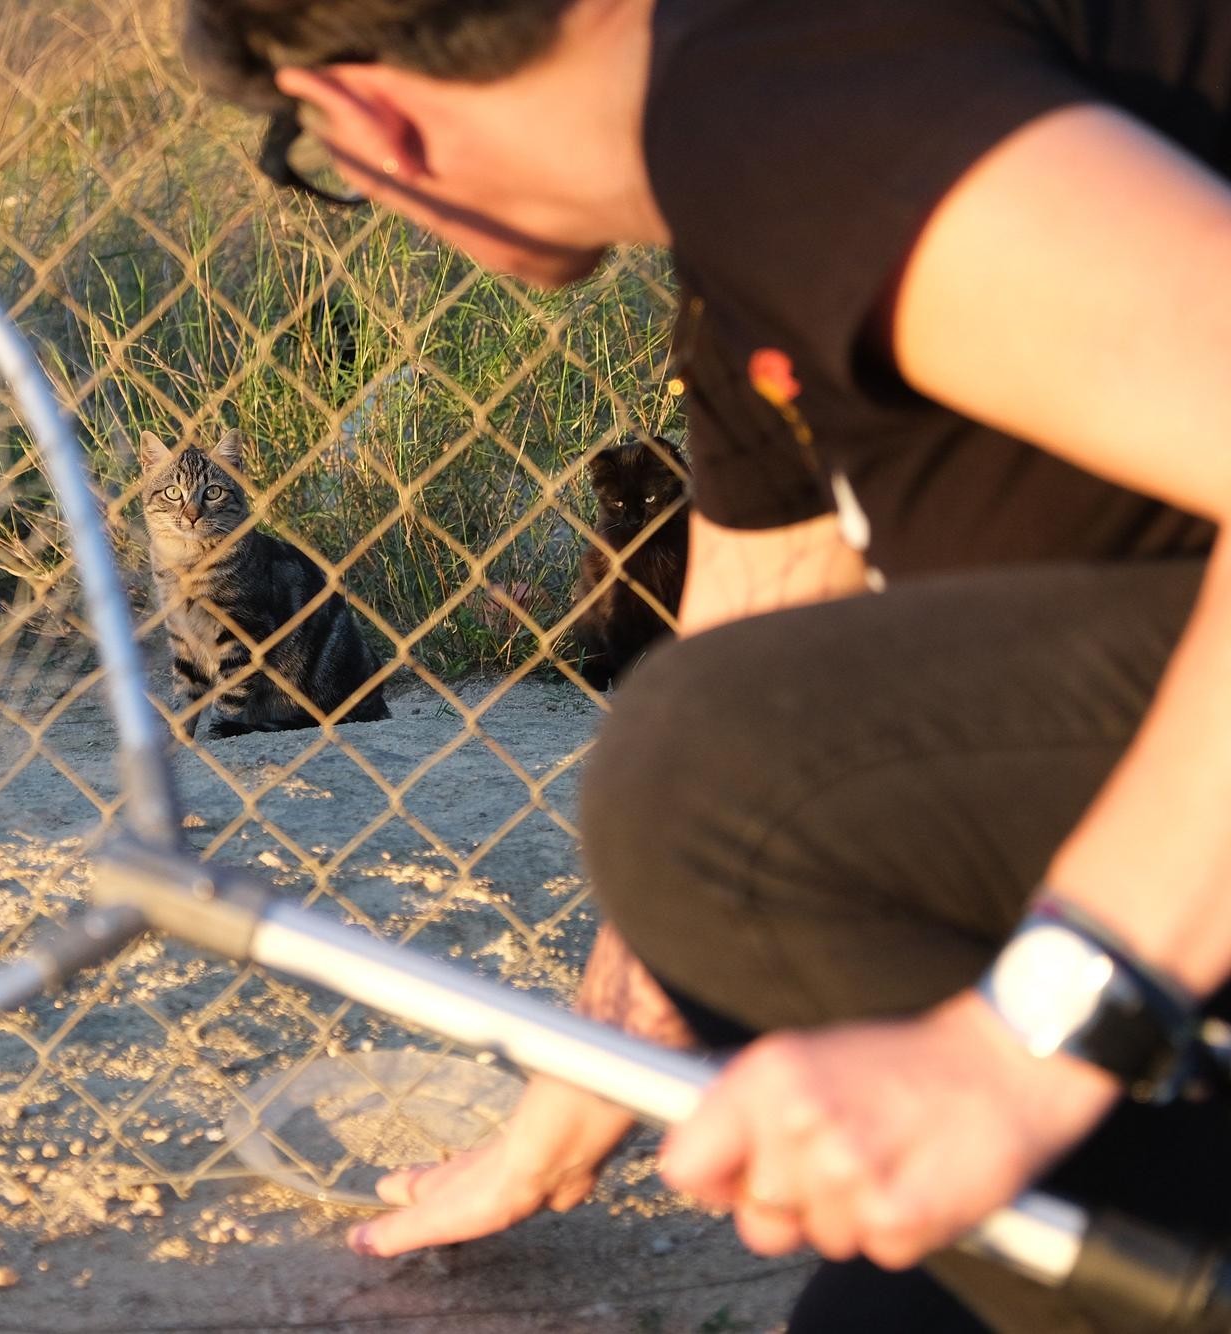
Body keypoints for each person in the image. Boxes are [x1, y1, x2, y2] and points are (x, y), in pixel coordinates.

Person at [180, 2, 1231, 1330]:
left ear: (372, 117)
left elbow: (736, 773)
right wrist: (586, 1078)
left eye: (307, 152)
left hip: (1105, 987)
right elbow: (763, 615)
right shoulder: (752, 176)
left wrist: (1024, 1049)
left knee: (708, 771)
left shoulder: (782, 100)